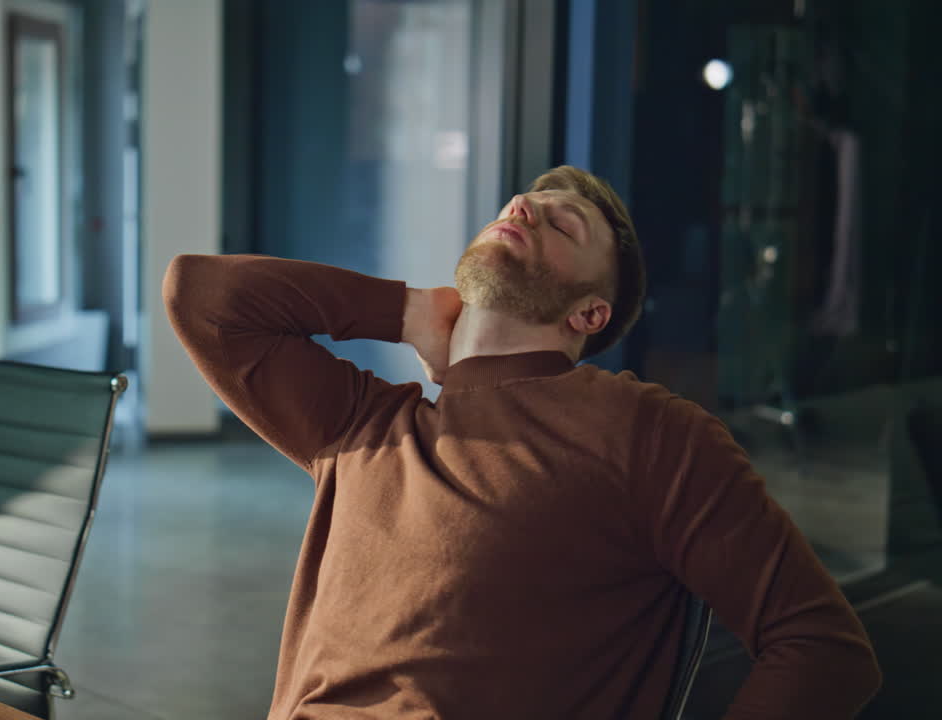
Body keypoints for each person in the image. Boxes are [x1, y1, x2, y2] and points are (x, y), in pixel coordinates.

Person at [163, 166, 881, 719]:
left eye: (564, 226)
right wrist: (409, 313)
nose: (526, 207)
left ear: (588, 313)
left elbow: (823, 647)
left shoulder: (643, 430)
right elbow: (199, 294)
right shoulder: (365, 425)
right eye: (521, 205)